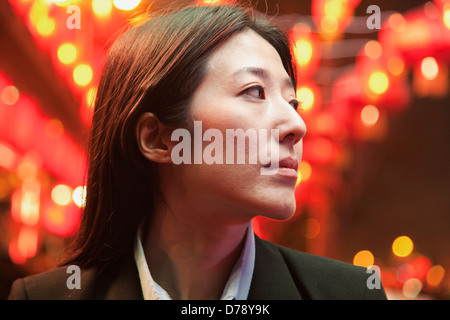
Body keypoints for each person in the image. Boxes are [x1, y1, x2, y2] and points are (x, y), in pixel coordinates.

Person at [8, 4, 386, 300]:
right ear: (159, 139)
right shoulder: (45, 297)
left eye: (293, 101)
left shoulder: (347, 293)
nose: (297, 126)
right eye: (255, 91)